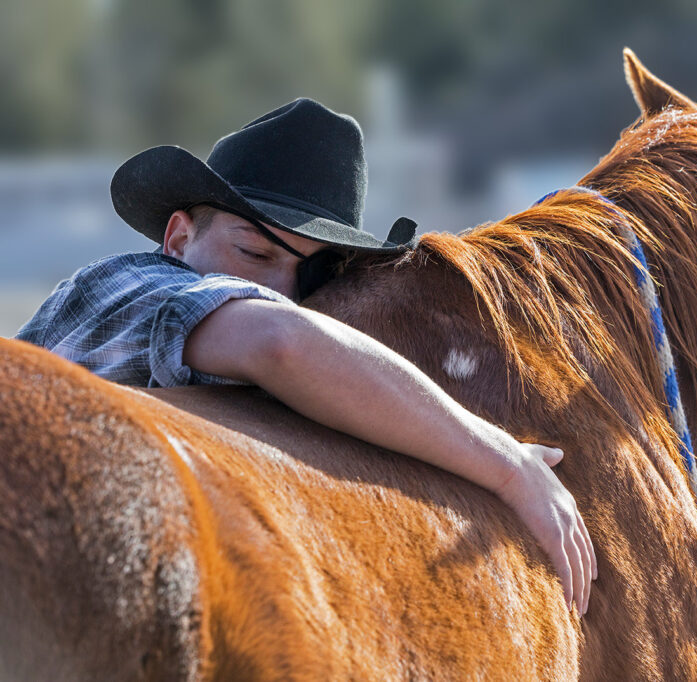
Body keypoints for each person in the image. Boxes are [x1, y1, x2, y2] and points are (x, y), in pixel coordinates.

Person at [15, 98, 596, 614]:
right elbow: (279, 342)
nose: (284, 290)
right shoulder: (122, 284)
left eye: (315, 272)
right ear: (178, 238)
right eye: (255, 252)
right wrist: (509, 466)